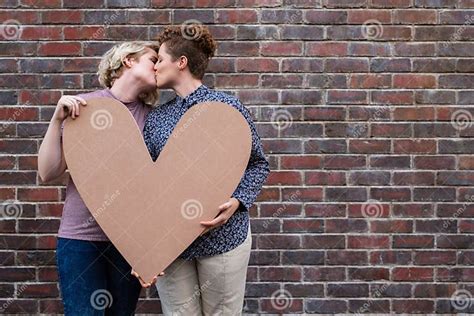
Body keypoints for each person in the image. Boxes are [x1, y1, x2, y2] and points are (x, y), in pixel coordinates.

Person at [144, 25, 270, 315]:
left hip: (223, 238)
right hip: (172, 246)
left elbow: (258, 163)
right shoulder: (157, 118)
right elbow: (147, 183)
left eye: (160, 59)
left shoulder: (227, 107)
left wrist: (237, 201)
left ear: (181, 62)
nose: (155, 67)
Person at [38, 41, 162, 315]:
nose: (159, 65)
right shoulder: (84, 107)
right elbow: (47, 173)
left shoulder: (154, 120)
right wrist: (56, 120)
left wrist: (150, 250)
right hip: (80, 240)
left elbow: (156, 189)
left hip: (128, 244)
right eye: (153, 58)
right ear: (129, 60)